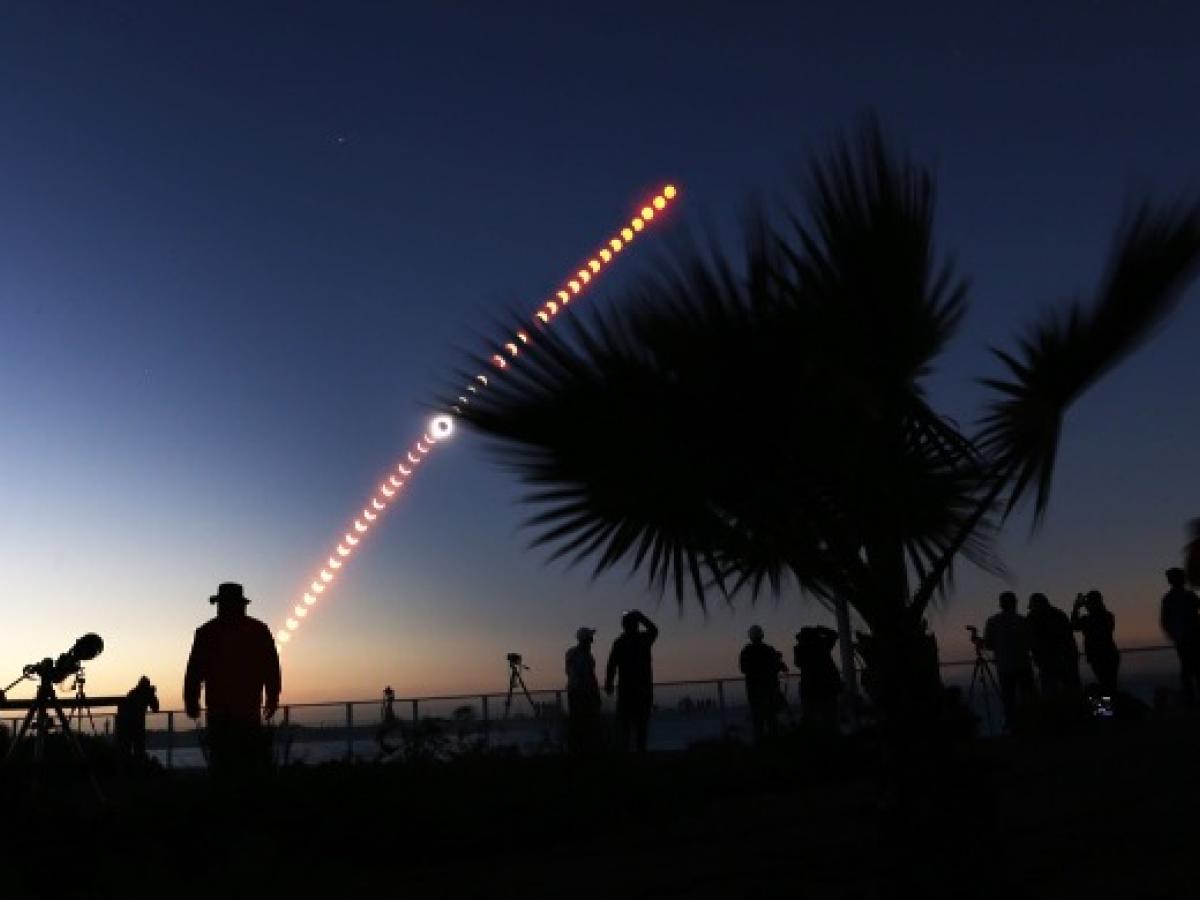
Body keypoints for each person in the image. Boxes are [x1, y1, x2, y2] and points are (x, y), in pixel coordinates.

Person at [184, 582, 281, 777]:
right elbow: (270, 667)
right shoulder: (258, 630)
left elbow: (194, 671)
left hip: (225, 711)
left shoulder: (206, 632)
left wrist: (191, 700)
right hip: (243, 710)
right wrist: (272, 697)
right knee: (244, 763)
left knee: (225, 763)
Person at [604, 610, 658, 752]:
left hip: (628, 691)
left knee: (626, 727)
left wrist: (609, 683)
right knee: (639, 726)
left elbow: (611, 665)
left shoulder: (621, 642)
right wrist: (641, 616)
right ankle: (638, 753)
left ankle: (628, 755)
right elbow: (654, 630)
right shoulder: (643, 639)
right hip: (641, 690)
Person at [982, 591, 1035, 731]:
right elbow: (1030, 642)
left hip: (1005, 667)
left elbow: (988, 644)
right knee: (1028, 696)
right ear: (1015, 603)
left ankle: (1013, 725)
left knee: (1008, 699)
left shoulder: (992, 621)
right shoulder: (1023, 621)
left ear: (1001, 604)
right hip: (1023, 664)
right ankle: (1031, 723)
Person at [1025, 593, 1080, 693]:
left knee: (1051, 690)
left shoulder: (1032, 618)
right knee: (1071, 688)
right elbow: (1068, 636)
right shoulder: (1059, 614)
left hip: (1049, 661)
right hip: (1066, 658)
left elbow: (1031, 640)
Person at [739, 625, 786, 741]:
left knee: (758, 723)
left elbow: (744, 669)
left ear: (750, 637)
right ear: (761, 635)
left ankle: (761, 748)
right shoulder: (769, 650)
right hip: (770, 692)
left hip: (755, 694)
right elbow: (778, 666)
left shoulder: (747, 651)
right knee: (771, 721)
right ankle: (774, 746)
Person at [1160, 567, 1200, 705]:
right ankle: (1191, 700)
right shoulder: (1173, 598)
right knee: (1189, 670)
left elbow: (1165, 621)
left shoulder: (1185, 596)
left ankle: (1191, 700)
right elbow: (1165, 621)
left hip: (1188, 638)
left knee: (1189, 670)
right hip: (1186, 639)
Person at [792, 626, 841, 732]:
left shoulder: (801, 649)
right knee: (830, 720)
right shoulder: (822, 645)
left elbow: (798, 663)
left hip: (810, 690)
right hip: (827, 689)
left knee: (813, 720)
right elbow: (834, 635)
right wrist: (821, 629)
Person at [1071, 590, 1120, 695]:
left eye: (1089, 602)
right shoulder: (1103, 616)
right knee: (1108, 686)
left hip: (1104, 657)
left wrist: (1078, 607)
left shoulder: (1104, 617)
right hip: (1102, 656)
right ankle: (1109, 708)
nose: (1087, 605)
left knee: (1107, 687)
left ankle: (1107, 710)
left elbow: (1076, 625)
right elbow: (1074, 626)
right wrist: (1076, 608)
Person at [565, 627, 603, 753]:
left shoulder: (575, 653)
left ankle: (579, 748)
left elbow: (569, 672)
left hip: (577, 692)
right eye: (590, 638)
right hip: (582, 693)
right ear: (585, 640)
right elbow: (587, 676)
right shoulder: (581, 655)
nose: (592, 641)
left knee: (579, 722)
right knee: (583, 723)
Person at [114, 675, 159, 762]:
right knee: (137, 751)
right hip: (136, 726)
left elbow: (155, 708)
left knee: (126, 751)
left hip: (126, 726)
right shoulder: (145, 693)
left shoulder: (133, 693)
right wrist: (152, 694)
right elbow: (155, 708)